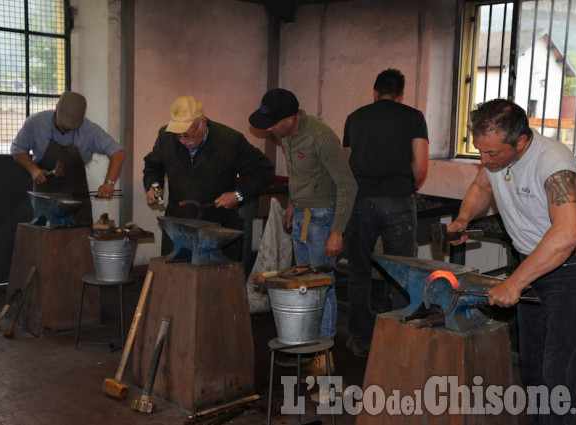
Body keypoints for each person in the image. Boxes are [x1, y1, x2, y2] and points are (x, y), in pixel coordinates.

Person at [448, 98, 576, 424]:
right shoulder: (493, 162)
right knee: (533, 363)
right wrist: (463, 218)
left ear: (521, 141)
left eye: (493, 153)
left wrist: (515, 281)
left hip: (574, 268)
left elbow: (567, 234)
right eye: (480, 150)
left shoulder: (553, 164)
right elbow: (481, 184)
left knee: (557, 370)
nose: (485, 159)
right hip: (533, 263)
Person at [249, 88, 357, 376]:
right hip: (301, 217)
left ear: (290, 118)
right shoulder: (286, 135)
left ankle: (324, 353)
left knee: (323, 284)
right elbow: (302, 176)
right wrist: (292, 204)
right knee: (304, 284)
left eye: (272, 123)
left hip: (324, 219)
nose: (268, 129)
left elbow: (348, 185)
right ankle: (305, 344)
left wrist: (338, 231)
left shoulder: (320, 137)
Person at [342, 68, 429, 358]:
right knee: (401, 273)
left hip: (360, 201)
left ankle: (362, 340)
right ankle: (396, 342)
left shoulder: (355, 117)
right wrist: (403, 188)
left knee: (358, 272)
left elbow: (347, 163)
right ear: (401, 95)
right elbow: (421, 166)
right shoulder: (413, 117)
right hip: (397, 201)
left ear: (375, 92)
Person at [143, 95, 274, 259]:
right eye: (179, 135)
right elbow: (154, 164)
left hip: (217, 228)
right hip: (178, 225)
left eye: (188, 135)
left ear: (203, 123)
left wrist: (238, 195)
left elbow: (263, 169)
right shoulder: (166, 137)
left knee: (216, 281)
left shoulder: (229, 141)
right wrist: (154, 185)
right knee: (177, 278)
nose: (183, 141)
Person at [11, 91, 125, 225]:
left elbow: (118, 153)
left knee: (80, 237)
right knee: (46, 239)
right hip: (46, 194)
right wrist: (33, 170)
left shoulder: (90, 130)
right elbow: (17, 149)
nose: (66, 129)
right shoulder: (36, 123)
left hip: (77, 195)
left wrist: (109, 183)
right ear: (56, 108)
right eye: (63, 124)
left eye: (71, 127)